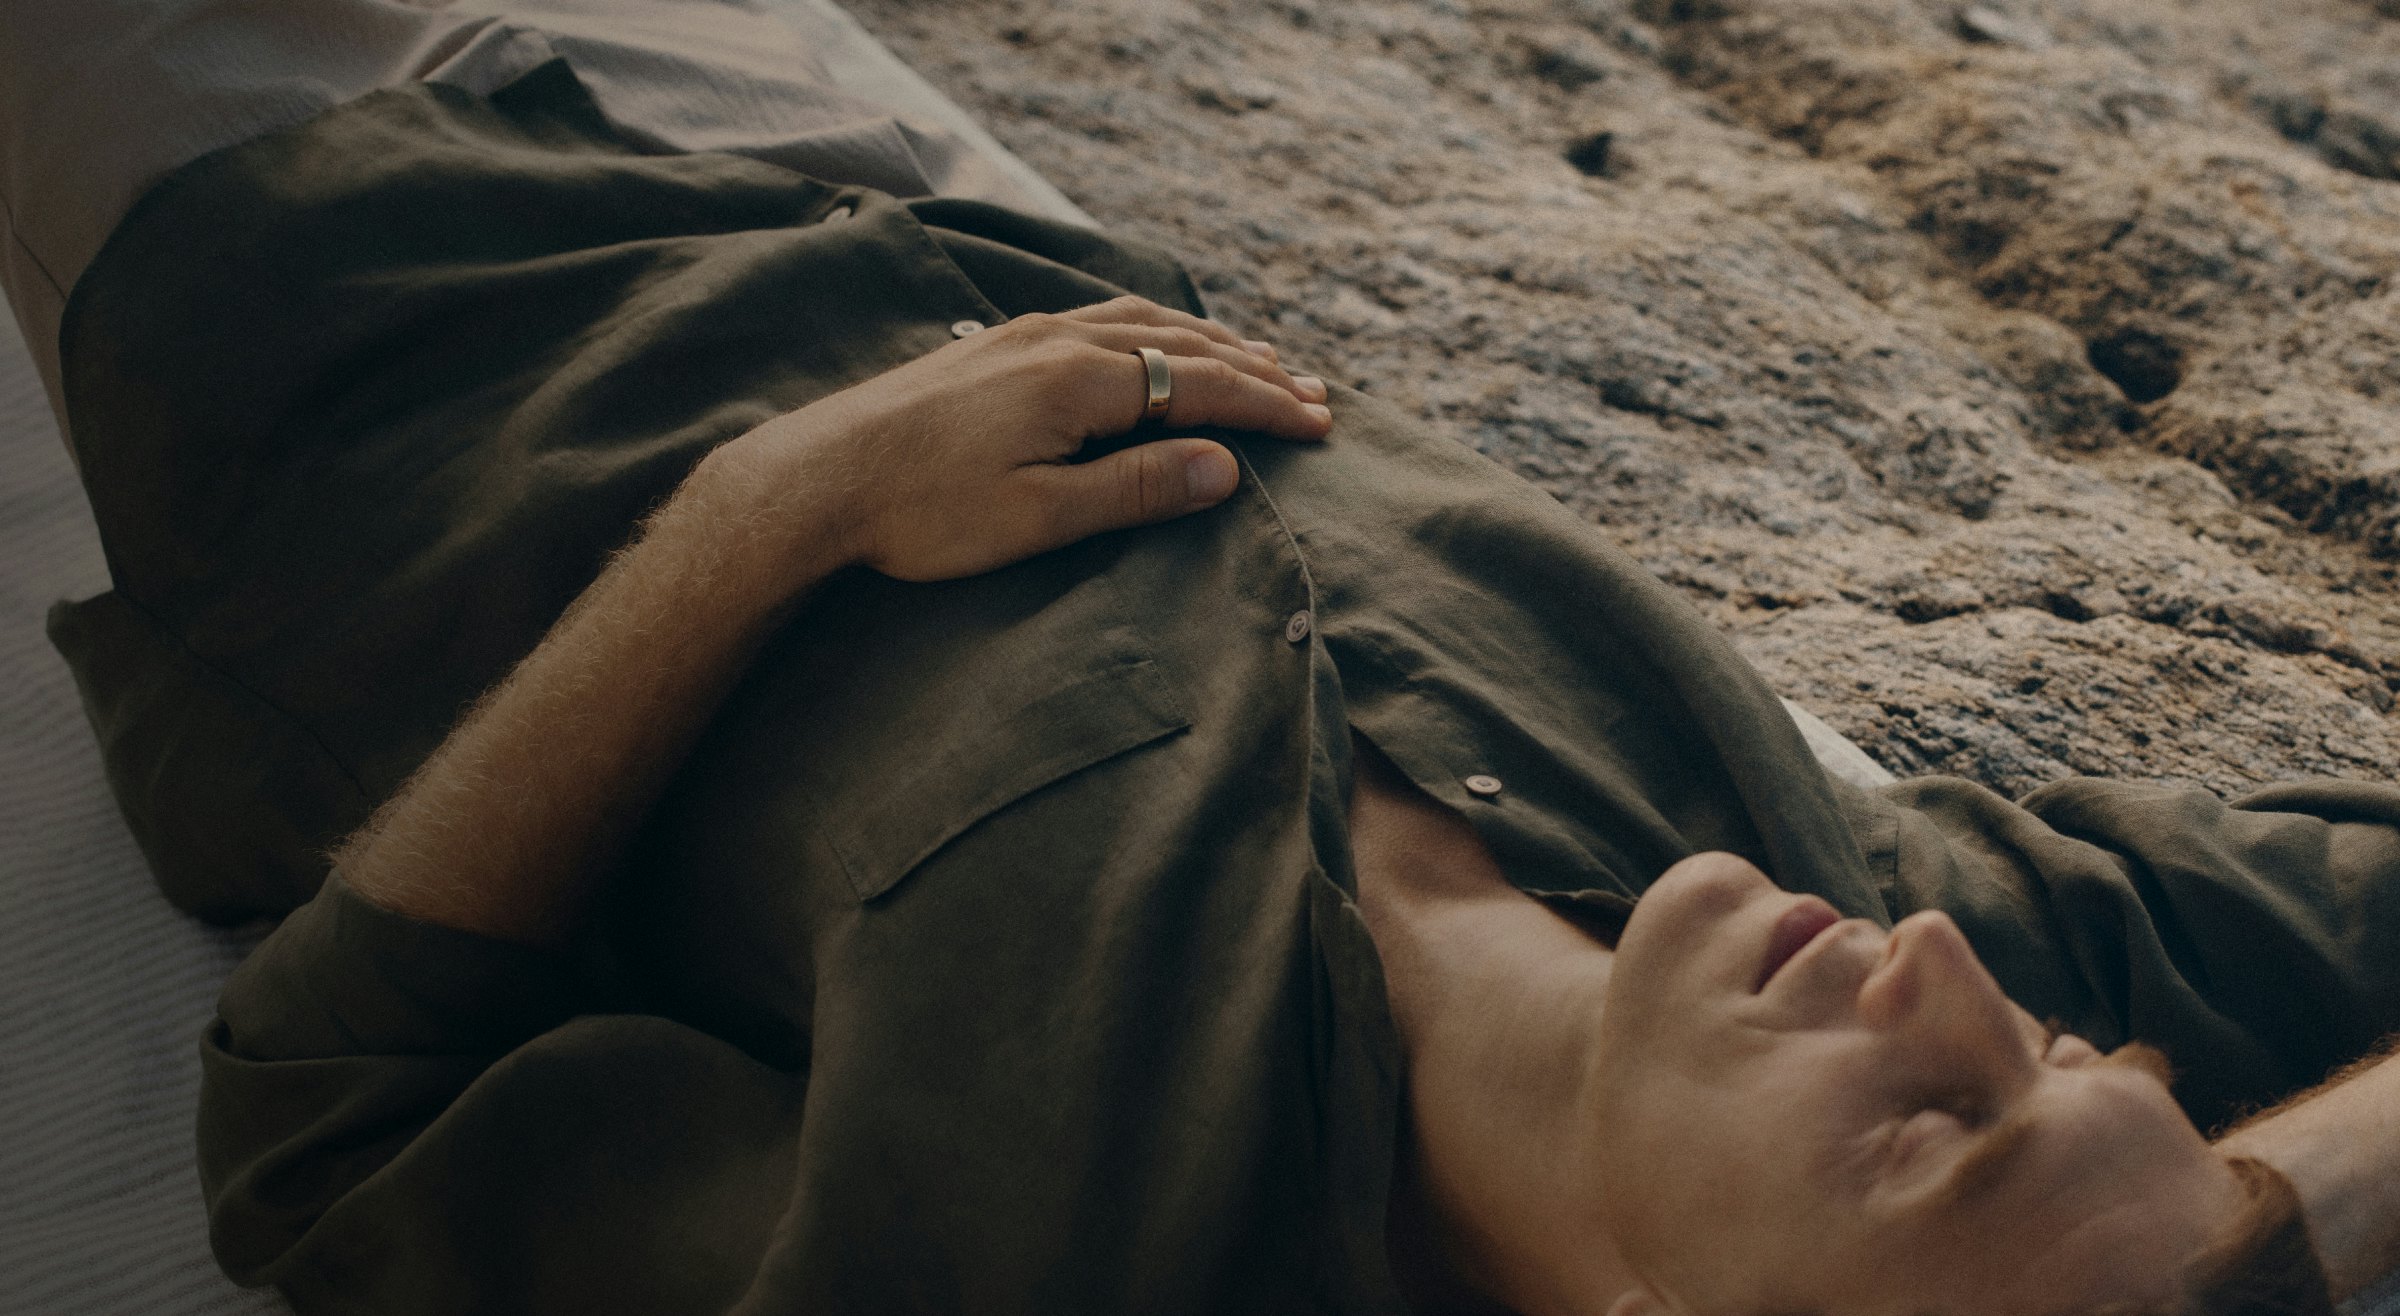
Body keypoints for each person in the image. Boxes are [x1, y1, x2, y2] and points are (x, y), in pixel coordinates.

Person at [10, 2, 2399, 1313]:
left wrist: (773, 516)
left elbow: (321, 1117)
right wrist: (2210, 1241)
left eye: (1926, 1140)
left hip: (357, 297)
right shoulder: (1841, 895)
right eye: (2085, 1059)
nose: (1947, 993)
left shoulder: (1044, 1231)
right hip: (866, 162)